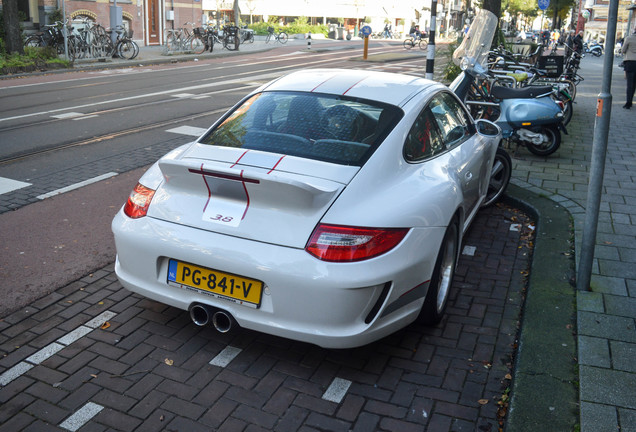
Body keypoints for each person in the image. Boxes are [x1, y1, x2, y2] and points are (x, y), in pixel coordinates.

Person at [621, 29, 636, 109]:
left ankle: (628, 103)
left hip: (630, 63)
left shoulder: (629, 38)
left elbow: (623, 50)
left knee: (630, 84)